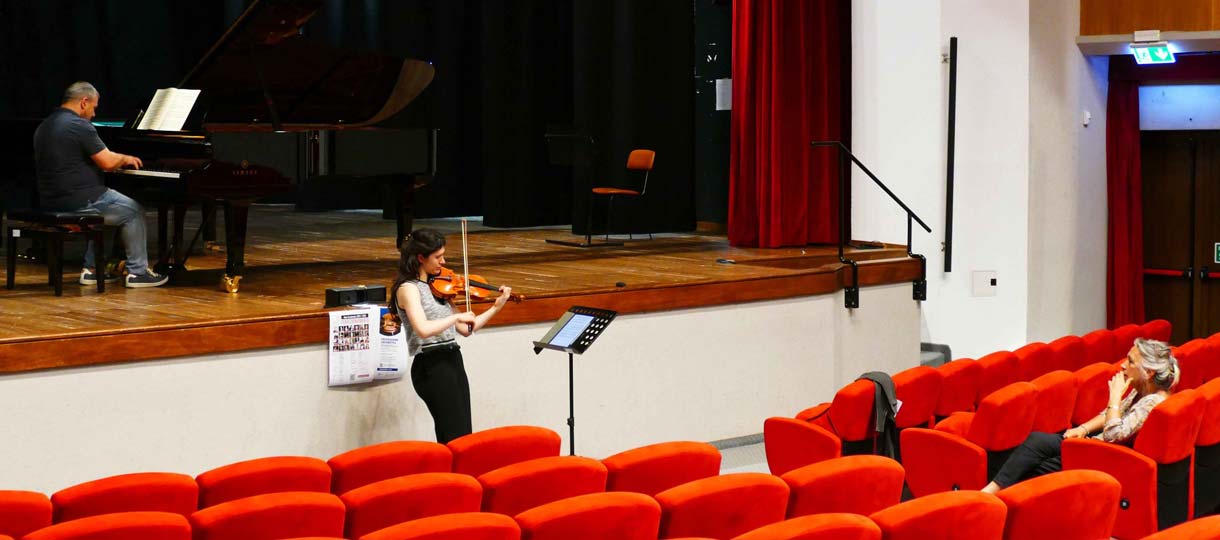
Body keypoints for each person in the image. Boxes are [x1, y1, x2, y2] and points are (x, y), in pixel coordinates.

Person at [981, 338, 1180, 493]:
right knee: (1037, 441)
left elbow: (1114, 435)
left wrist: (1115, 398)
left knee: (1036, 464)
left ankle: (994, 495)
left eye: (1130, 362)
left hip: (1105, 456)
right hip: (1094, 443)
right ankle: (993, 492)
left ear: (1150, 372)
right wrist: (1082, 429)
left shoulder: (1152, 402)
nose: (1122, 366)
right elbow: (1109, 415)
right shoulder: (1143, 389)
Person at [33, 81, 168, 288]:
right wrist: (125, 158)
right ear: (84, 102)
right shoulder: (79, 125)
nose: (94, 114)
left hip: (52, 199)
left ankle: (92, 270)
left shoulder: (45, 125)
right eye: (94, 107)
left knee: (110, 210)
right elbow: (107, 162)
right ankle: (138, 273)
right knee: (133, 211)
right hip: (79, 200)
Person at [388, 228, 513, 443]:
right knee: (452, 434)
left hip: (452, 358)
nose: (443, 262)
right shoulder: (408, 289)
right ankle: (452, 476)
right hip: (431, 364)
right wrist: (455, 318)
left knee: (463, 431)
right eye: (438, 257)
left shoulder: (441, 287)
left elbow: (467, 329)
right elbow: (423, 329)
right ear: (420, 258)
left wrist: (496, 307)